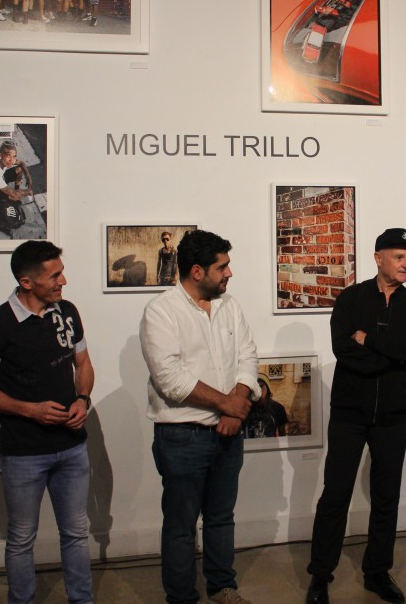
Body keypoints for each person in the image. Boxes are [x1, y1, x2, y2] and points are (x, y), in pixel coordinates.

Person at [306, 228, 406, 604]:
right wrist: (397, 352)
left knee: (386, 496)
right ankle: (320, 574)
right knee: (336, 493)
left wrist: (373, 340)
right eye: (400, 257)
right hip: (350, 412)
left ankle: (377, 571)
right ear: (378, 258)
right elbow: (345, 351)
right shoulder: (350, 299)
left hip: (394, 413)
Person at [0, 241, 95, 604]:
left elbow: (83, 364)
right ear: (27, 281)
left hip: (72, 447)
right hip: (23, 453)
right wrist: (31, 410)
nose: (63, 281)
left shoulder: (67, 312)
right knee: (22, 539)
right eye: (54, 275)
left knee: (75, 533)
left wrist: (82, 399)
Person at [140, 229, 261, 604]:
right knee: (180, 526)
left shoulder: (231, 306)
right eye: (222, 266)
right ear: (197, 271)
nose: (229, 273)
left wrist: (235, 409)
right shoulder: (161, 312)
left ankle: (222, 586)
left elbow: (248, 358)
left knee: (222, 517)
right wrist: (227, 405)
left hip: (229, 432)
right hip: (181, 437)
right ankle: (181, 597)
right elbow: (170, 378)